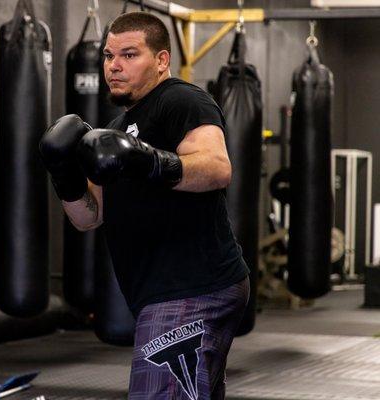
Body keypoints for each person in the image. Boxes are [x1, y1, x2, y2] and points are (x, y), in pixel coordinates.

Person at [40, 11, 249, 400]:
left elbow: (217, 168)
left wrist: (150, 160)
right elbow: (89, 216)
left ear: (162, 60)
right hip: (158, 292)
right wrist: (64, 172)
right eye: (108, 56)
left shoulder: (182, 100)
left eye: (129, 54)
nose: (114, 66)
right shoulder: (116, 130)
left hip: (193, 287)